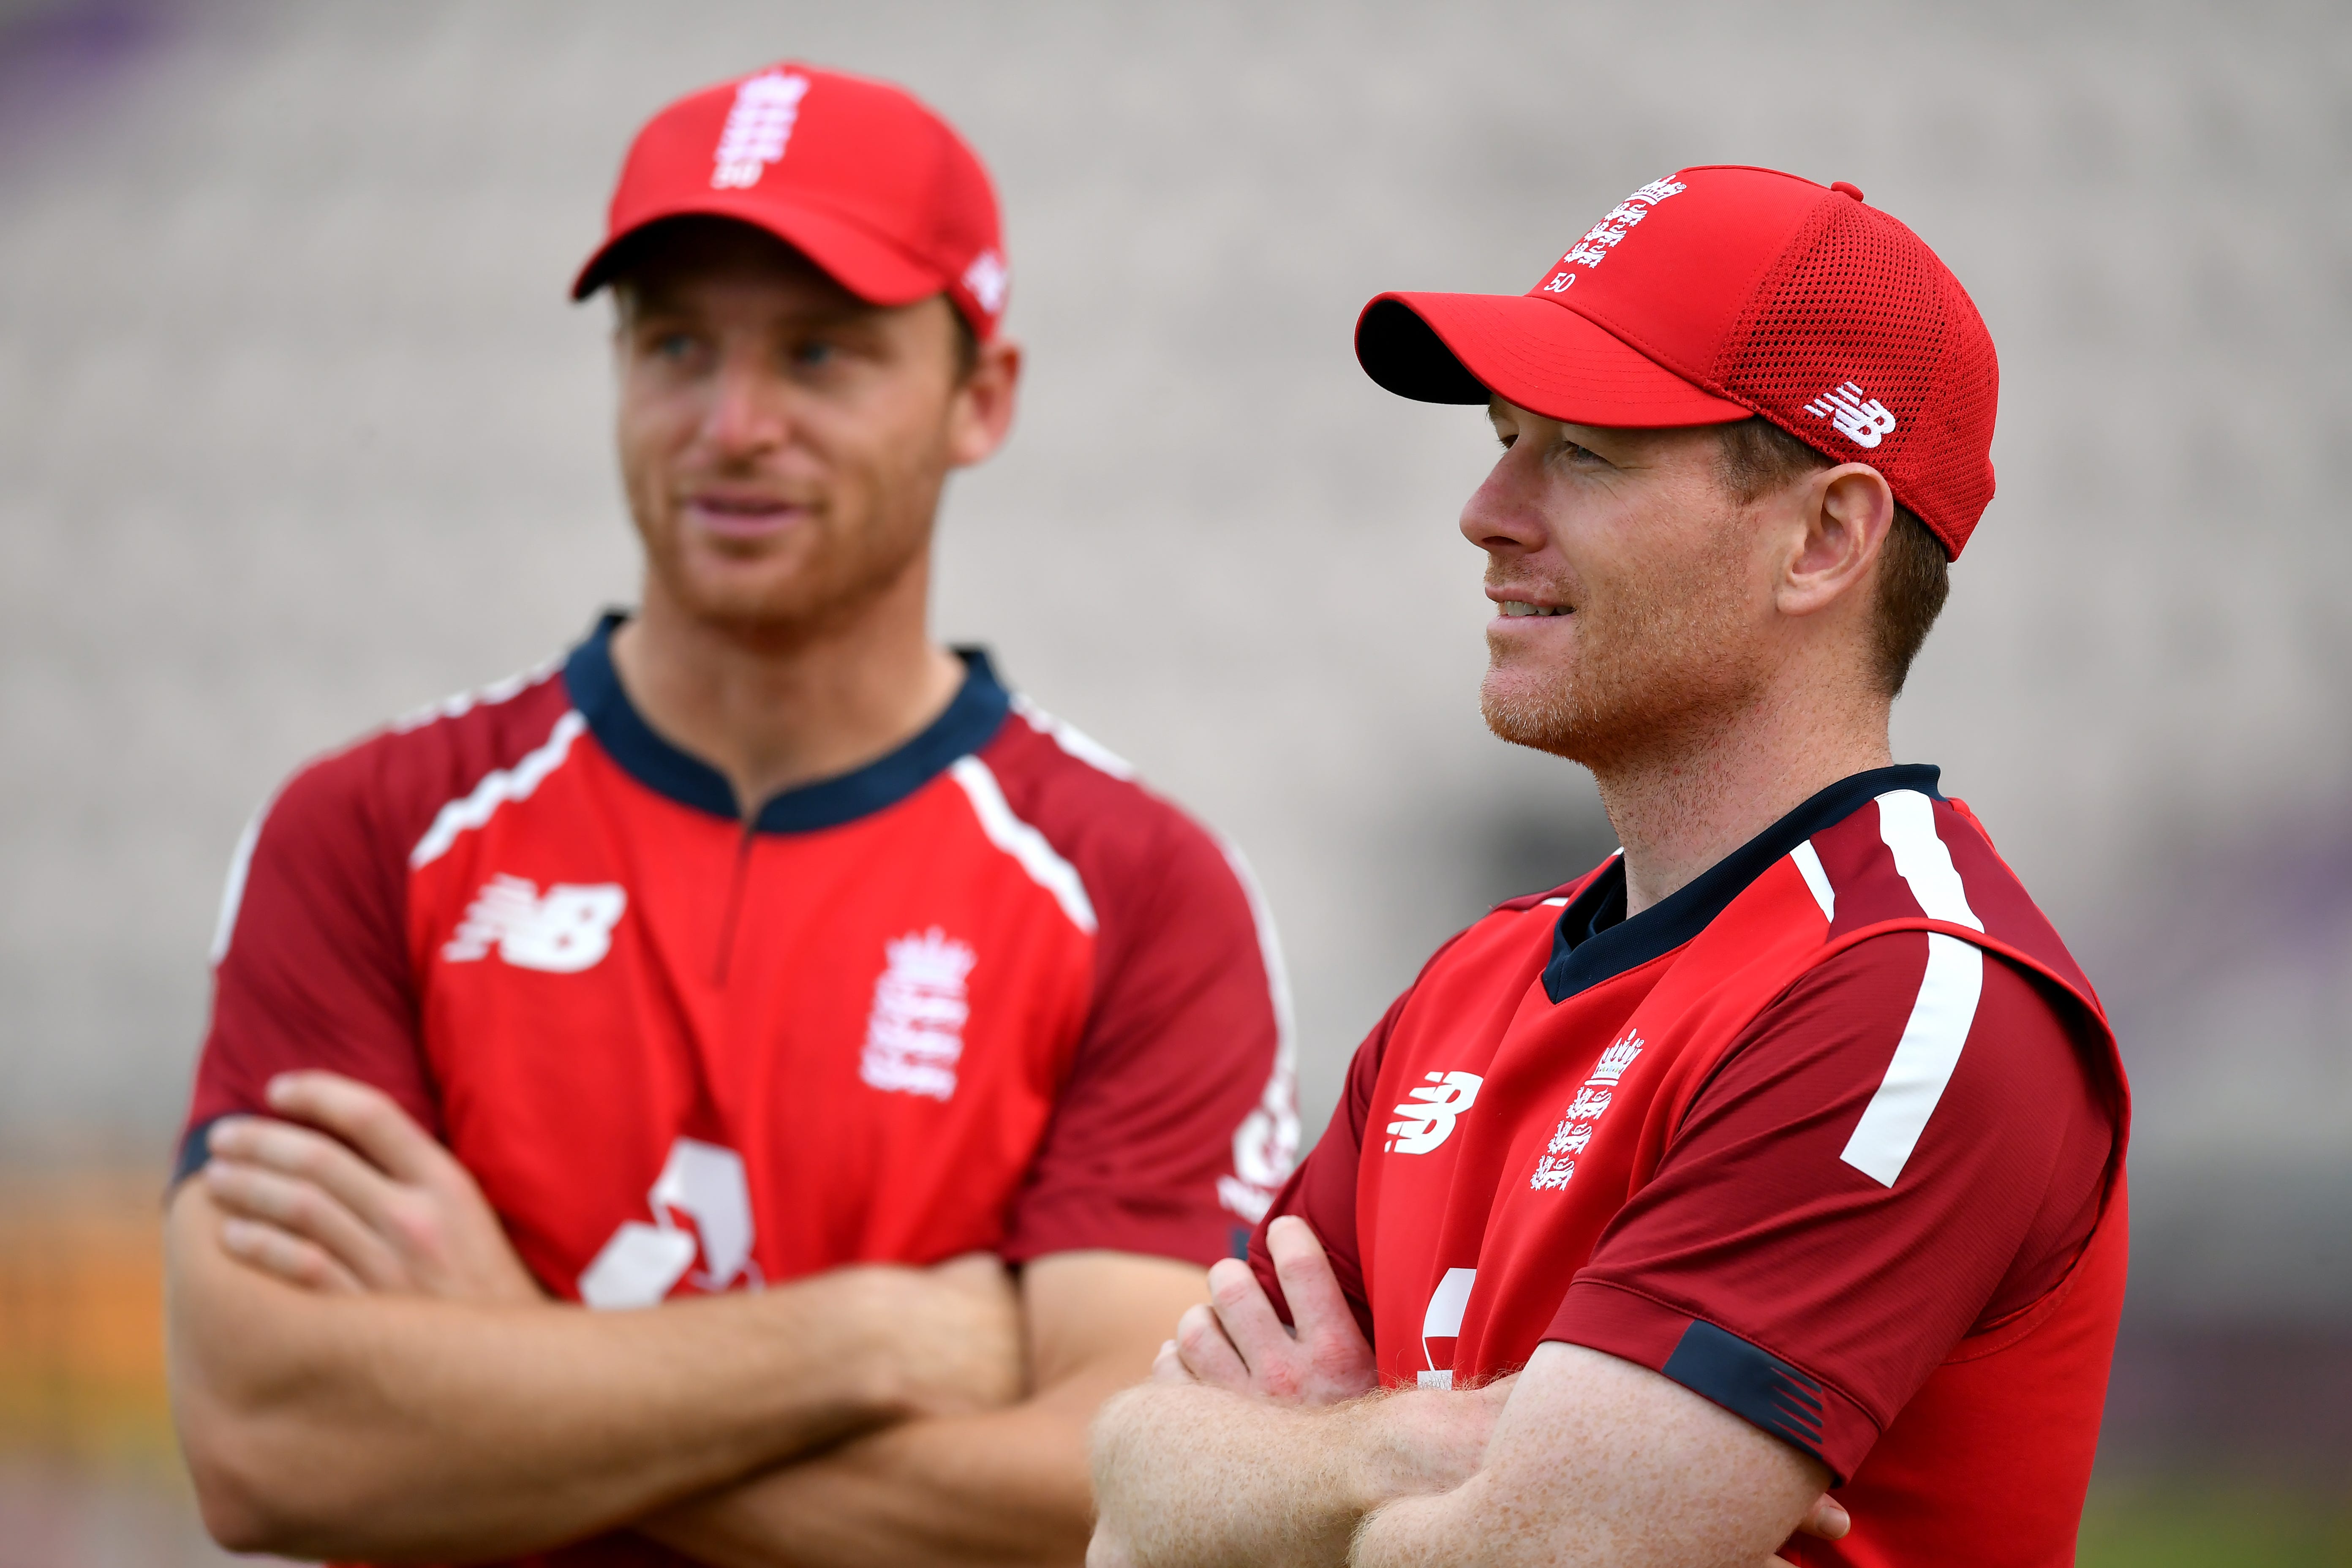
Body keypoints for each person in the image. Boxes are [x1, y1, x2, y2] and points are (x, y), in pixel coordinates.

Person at [165, 62, 1298, 1568]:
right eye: (676, 345)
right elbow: (267, 1449)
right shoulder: (370, 833)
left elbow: (1116, 1497)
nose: (732, 423)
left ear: (984, 399)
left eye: (820, 355)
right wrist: (870, 1339)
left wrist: (515, 1375)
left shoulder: (1140, 891)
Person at [1090, 166, 2128, 1568]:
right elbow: (1133, 1501)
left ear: (1826, 536)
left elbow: (1535, 1559)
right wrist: (1434, 1449)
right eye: (1509, 436)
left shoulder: (1912, 1000)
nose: (1485, 509)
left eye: (1585, 453)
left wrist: (1306, 1482)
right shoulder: (1472, 981)